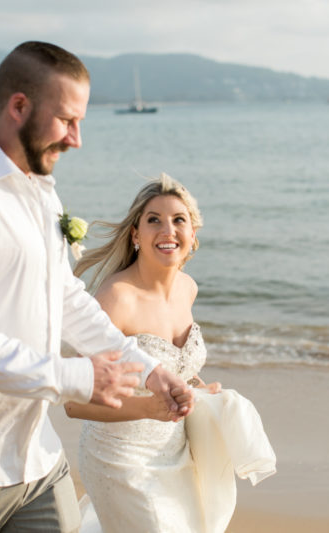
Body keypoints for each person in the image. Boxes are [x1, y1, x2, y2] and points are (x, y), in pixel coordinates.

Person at [0, 42, 194, 533]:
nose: (77, 139)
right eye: (66, 121)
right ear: (19, 106)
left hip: (36, 458)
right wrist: (76, 377)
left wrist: (150, 370)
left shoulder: (40, 194)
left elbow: (67, 298)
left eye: (81, 123)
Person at [65, 174, 224, 532]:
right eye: (154, 220)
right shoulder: (117, 297)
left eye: (178, 220)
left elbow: (176, 367)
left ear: (193, 236)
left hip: (177, 455)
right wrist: (148, 409)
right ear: (136, 235)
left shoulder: (188, 289)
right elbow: (73, 402)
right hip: (119, 459)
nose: (168, 230)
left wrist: (197, 391)